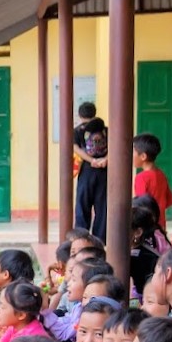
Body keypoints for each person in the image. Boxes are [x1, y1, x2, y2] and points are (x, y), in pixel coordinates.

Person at [73, 102, 109, 240]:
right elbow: (115, 146)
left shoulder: (77, 130)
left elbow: (76, 148)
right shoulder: (106, 130)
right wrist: (105, 159)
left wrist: (91, 160)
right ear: (94, 113)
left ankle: (81, 238)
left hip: (87, 171)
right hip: (105, 171)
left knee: (83, 204)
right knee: (103, 206)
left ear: (80, 115)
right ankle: (100, 240)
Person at [133, 133, 172, 230]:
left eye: (133, 151)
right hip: (161, 225)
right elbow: (170, 200)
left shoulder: (141, 178)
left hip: (147, 225)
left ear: (143, 156)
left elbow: (140, 205)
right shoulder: (161, 174)